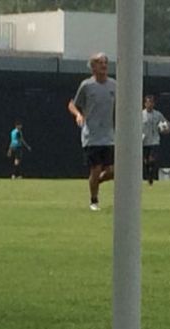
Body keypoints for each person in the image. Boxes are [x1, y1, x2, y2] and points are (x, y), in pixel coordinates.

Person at [68, 52, 116, 211]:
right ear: (93, 67)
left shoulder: (114, 85)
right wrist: (78, 115)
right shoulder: (86, 86)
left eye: (105, 63)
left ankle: (95, 181)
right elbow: (72, 104)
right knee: (96, 169)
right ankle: (94, 201)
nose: (104, 66)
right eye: (100, 63)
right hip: (92, 136)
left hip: (108, 136)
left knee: (112, 171)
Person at [141, 95, 170, 186]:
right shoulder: (141, 114)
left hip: (154, 141)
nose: (149, 104)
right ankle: (148, 176)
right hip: (144, 141)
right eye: (148, 102)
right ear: (145, 104)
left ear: (154, 104)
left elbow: (166, 123)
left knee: (152, 160)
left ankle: (151, 177)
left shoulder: (158, 114)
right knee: (146, 161)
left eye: (151, 102)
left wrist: (166, 129)